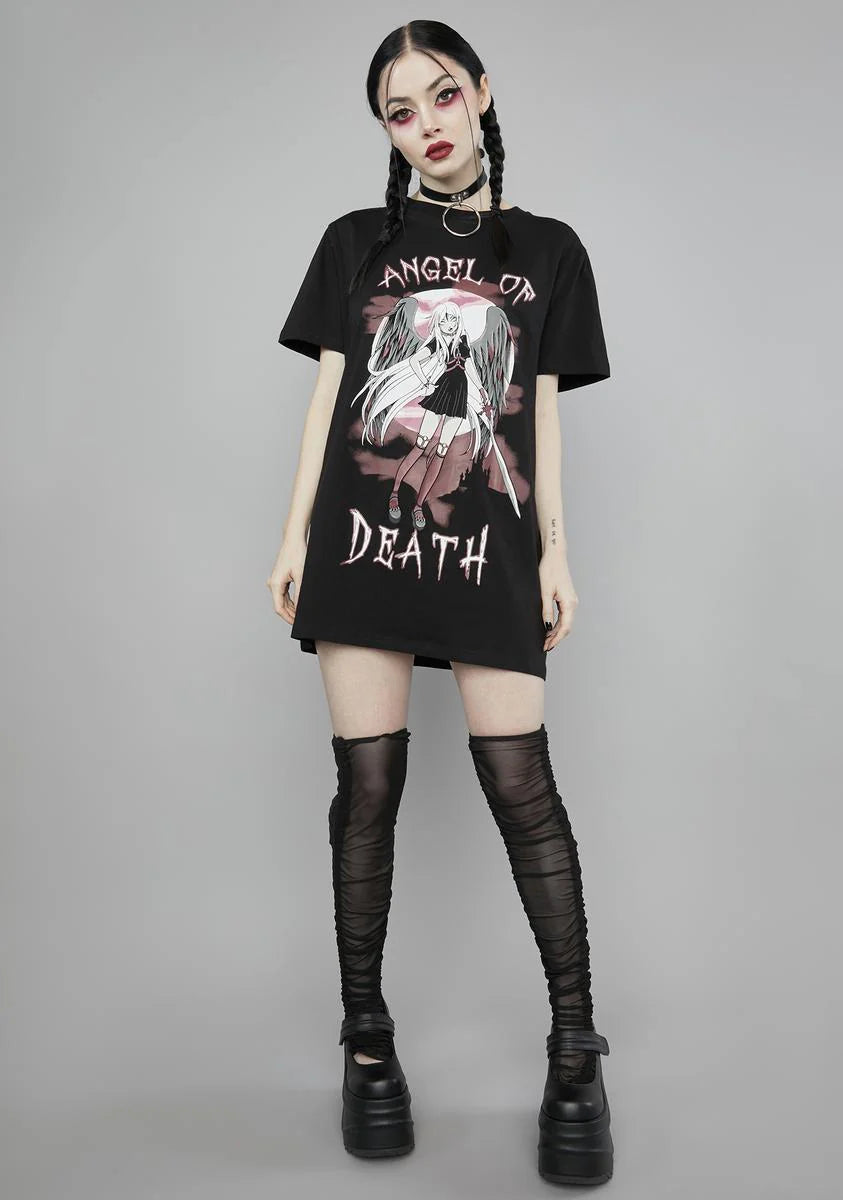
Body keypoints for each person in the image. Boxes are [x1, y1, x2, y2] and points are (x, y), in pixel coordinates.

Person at [267, 19, 614, 1187]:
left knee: (523, 785)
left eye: (443, 95)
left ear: (482, 94)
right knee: (366, 789)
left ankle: (576, 1053)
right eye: (400, 111)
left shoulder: (549, 250)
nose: (427, 125)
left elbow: (541, 412)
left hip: (489, 550)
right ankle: (369, 1047)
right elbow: (331, 397)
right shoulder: (355, 243)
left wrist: (555, 554)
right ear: (387, 131)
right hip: (361, 545)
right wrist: (292, 536)